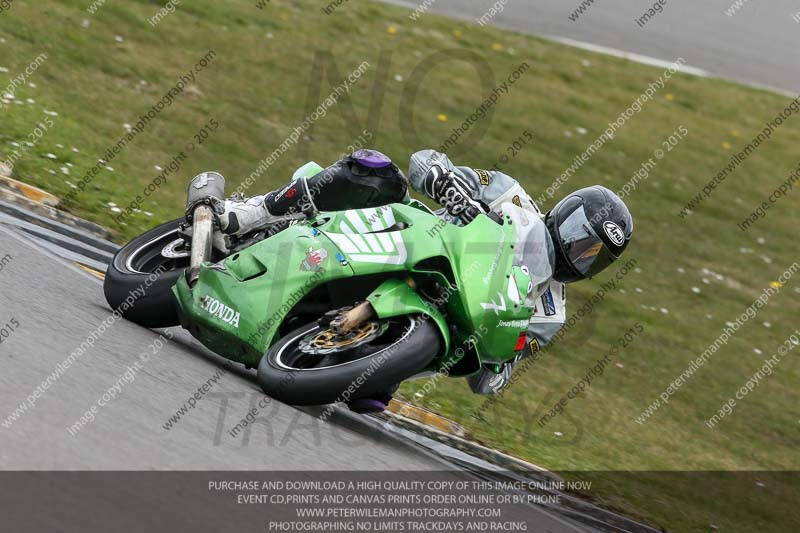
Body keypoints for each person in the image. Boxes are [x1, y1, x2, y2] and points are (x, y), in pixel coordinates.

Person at [190, 149, 633, 412]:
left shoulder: (550, 316)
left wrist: (501, 359)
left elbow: (490, 382)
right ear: (565, 212)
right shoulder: (511, 195)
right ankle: (251, 214)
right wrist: (446, 182)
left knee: (369, 402)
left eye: (592, 254)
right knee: (373, 168)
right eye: (579, 236)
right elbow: (426, 160)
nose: (579, 252)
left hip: (426, 327)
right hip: (407, 239)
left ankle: (337, 345)